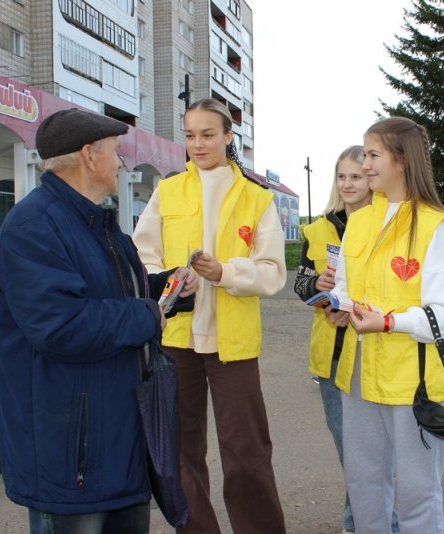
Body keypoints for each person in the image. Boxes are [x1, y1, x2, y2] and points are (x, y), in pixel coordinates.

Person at [0, 108, 196, 534]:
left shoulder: (96, 221)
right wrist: (145, 313)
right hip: (70, 451)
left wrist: (163, 288)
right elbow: (62, 326)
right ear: (87, 156)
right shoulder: (34, 225)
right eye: (115, 153)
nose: (121, 163)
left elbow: (108, 289)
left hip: (116, 439)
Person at [133, 98, 287, 534]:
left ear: (228, 137)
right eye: (189, 135)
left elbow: (274, 272)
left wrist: (225, 272)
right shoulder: (167, 191)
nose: (197, 144)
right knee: (180, 450)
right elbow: (142, 255)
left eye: (206, 134)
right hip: (175, 337)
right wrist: (167, 278)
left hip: (232, 341)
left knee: (247, 450)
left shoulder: (256, 197)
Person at [330, 117, 444, 533]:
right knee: (365, 485)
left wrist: (388, 322)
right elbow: (346, 286)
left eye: (373, 155)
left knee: (417, 493)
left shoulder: (434, 226)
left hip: (412, 380)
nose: (366, 165)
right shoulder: (360, 220)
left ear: (402, 161)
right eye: (365, 154)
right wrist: (338, 305)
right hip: (359, 373)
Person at [295, 145, 398, 534]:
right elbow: (301, 284)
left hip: (374, 351)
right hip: (332, 356)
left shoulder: (386, 224)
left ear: (371, 179)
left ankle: (365, 523)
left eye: (356, 176)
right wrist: (316, 287)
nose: (349, 183)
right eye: (342, 176)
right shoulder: (318, 228)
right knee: (349, 448)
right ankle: (371, 522)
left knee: (374, 450)